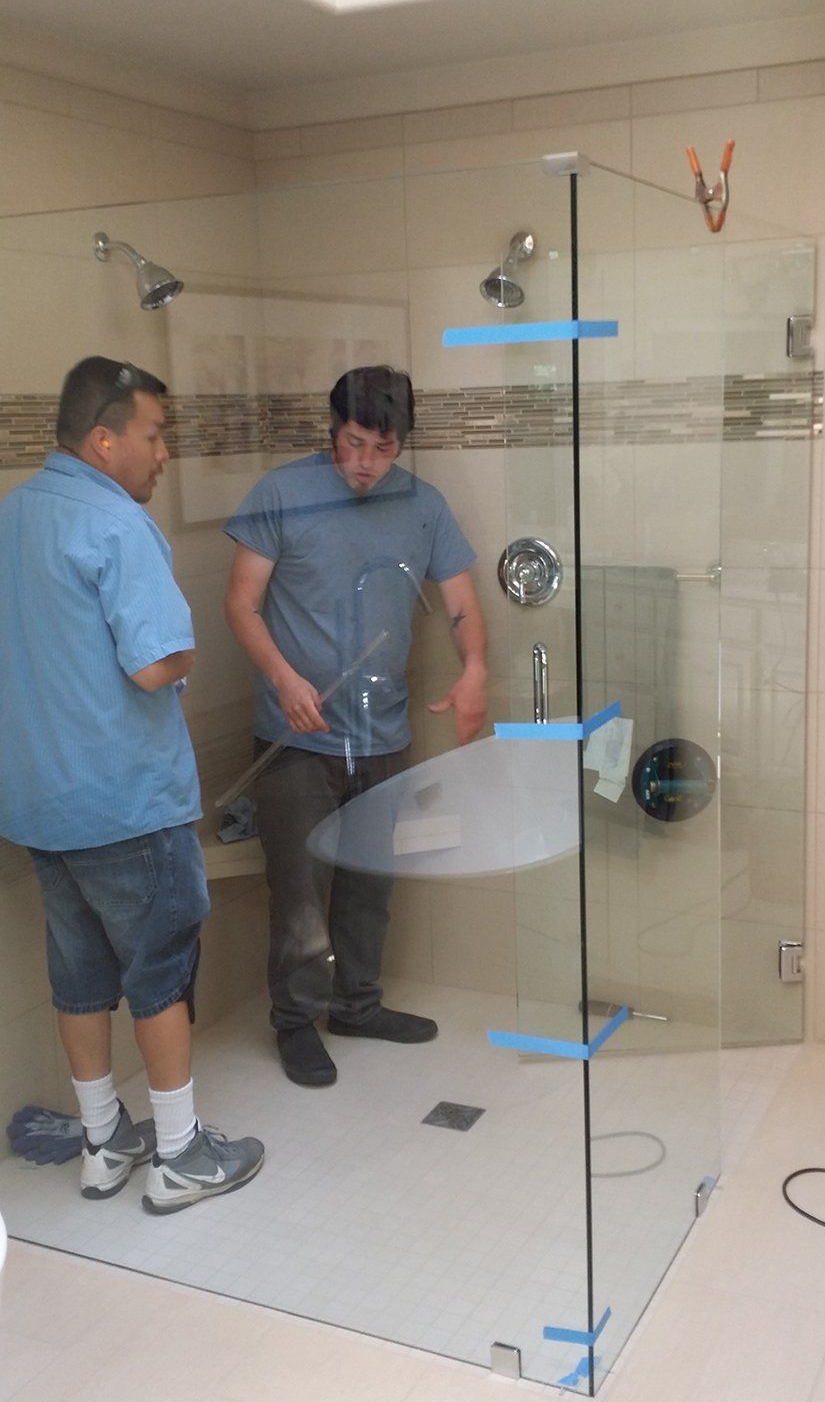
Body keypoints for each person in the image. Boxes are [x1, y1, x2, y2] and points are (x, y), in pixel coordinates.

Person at [0, 356, 264, 1213]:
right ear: (104, 439)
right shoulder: (115, 525)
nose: (163, 454)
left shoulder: (13, 518)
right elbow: (155, 665)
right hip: (124, 801)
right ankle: (182, 1154)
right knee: (159, 971)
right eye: (154, 436)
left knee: (78, 975)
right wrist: (185, 655)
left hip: (39, 801)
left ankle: (103, 1141)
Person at [225, 364, 487, 1087]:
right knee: (301, 891)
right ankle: (294, 1023)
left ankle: (359, 1006)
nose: (365, 462)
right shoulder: (280, 494)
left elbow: (460, 598)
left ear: (401, 441)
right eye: (352, 442)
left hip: (382, 734)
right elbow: (241, 605)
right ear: (331, 431)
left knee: (371, 881)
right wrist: (283, 678)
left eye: (381, 446)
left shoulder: (424, 506)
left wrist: (475, 668)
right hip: (297, 737)